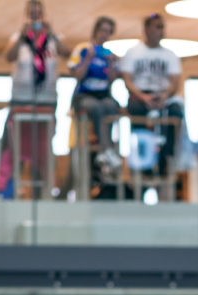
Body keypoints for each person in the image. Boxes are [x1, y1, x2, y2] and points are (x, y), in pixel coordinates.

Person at [1, 0, 65, 197]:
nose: (36, 18)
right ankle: (8, 191)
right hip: (21, 101)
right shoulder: (19, 39)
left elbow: (69, 54)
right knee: (14, 148)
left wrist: (51, 32)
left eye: (39, 14)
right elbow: (8, 56)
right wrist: (22, 34)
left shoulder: (53, 39)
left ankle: (43, 193)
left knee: (42, 151)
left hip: (46, 102)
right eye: (32, 14)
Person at [121, 14, 184, 179]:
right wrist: (143, 97)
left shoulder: (169, 55)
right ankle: (143, 161)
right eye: (158, 27)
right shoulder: (133, 52)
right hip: (140, 96)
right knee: (136, 112)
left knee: (176, 112)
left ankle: (167, 156)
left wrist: (163, 96)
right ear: (147, 29)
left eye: (162, 27)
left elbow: (174, 82)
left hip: (163, 96)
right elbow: (127, 80)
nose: (161, 31)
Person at [68, 16, 121, 180]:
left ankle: (106, 148)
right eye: (102, 30)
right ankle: (105, 149)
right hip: (84, 95)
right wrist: (88, 59)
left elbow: (111, 79)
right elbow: (77, 75)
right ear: (96, 30)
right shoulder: (83, 49)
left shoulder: (108, 54)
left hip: (103, 95)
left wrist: (112, 64)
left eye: (108, 32)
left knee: (111, 107)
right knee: (95, 108)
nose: (105, 34)